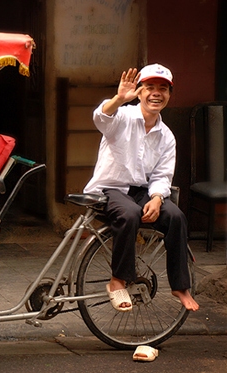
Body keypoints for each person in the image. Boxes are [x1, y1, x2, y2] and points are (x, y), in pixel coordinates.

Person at [83, 63, 199, 312]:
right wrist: (118, 99)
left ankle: (180, 285)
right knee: (130, 213)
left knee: (176, 216)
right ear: (140, 92)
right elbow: (100, 117)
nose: (156, 93)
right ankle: (118, 281)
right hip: (110, 188)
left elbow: (162, 174)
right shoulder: (122, 116)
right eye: (149, 87)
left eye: (163, 89)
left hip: (141, 192)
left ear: (169, 95)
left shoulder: (166, 135)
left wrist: (157, 198)